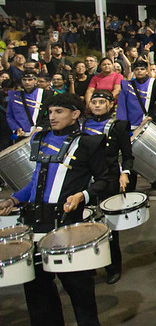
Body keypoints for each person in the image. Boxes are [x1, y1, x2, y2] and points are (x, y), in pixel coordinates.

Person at [0, 92, 109, 326]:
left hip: (68, 226)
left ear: (75, 114)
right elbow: (36, 182)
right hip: (36, 225)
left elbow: (105, 180)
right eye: (50, 112)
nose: (52, 116)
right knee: (38, 295)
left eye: (59, 111)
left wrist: (83, 195)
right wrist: (14, 200)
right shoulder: (40, 139)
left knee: (79, 292)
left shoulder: (90, 143)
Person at [82, 90, 135, 285]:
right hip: (85, 180)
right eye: (94, 102)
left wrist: (125, 173)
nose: (97, 105)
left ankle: (113, 267)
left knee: (109, 226)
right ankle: (89, 265)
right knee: (85, 224)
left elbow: (128, 156)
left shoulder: (118, 126)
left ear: (110, 105)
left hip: (109, 179)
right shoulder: (81, 125)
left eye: (101, 102)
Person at [117, 59, 156, 190]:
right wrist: (122, 124)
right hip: (131, 125)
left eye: (142, 69)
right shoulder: (127, 85)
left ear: (146, 71)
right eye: (137, 69)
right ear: (134, 71)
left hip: (148, 123)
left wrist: (152, 115)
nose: (139, 71)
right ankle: (131, 183)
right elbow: (122, 104)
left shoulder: (154, 83)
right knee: (130, 154)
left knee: (153, 153)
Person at [6, 69, 52, 137]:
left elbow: (50, 115)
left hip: (38, 133)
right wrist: (16, 128)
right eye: (24, 80)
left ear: (36, 80)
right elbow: (9, 115)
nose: (27, 82)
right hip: (20, 134)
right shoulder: (14, 96)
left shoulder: (45, 94)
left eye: (30, 80)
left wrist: (40, 127)